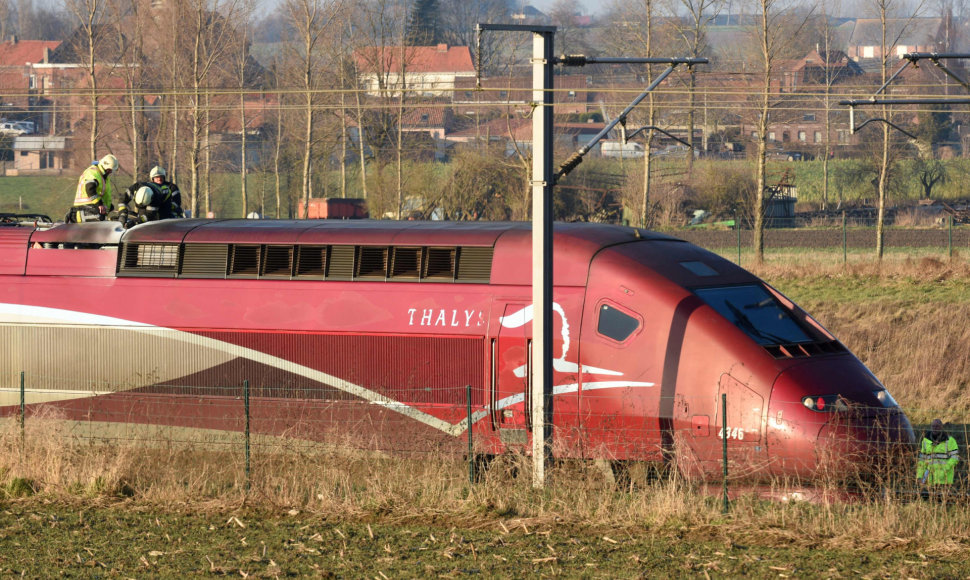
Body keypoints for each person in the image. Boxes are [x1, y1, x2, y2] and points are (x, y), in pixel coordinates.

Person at [68, 154, 118, 223]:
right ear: (104, 166)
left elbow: (104, 194)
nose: (111, 172)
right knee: (100, 217)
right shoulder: (92, 172)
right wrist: (99, 204)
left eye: (112, 170)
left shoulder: (103, 176)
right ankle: (76, 216)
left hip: (92, 207)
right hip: (83, 208)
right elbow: (90, 189)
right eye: (109, 170)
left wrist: (108, 207)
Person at [917, 419, 959, 497]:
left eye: (937, 426)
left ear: (941, 427)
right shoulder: (925, 441)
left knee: (943, 500)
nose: (935, 428)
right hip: (929, 479)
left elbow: (955, 457)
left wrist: (944, 469)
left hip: (945, 479)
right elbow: (922, 460)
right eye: (933, 426)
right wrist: (919, 476)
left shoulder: (950, 440)